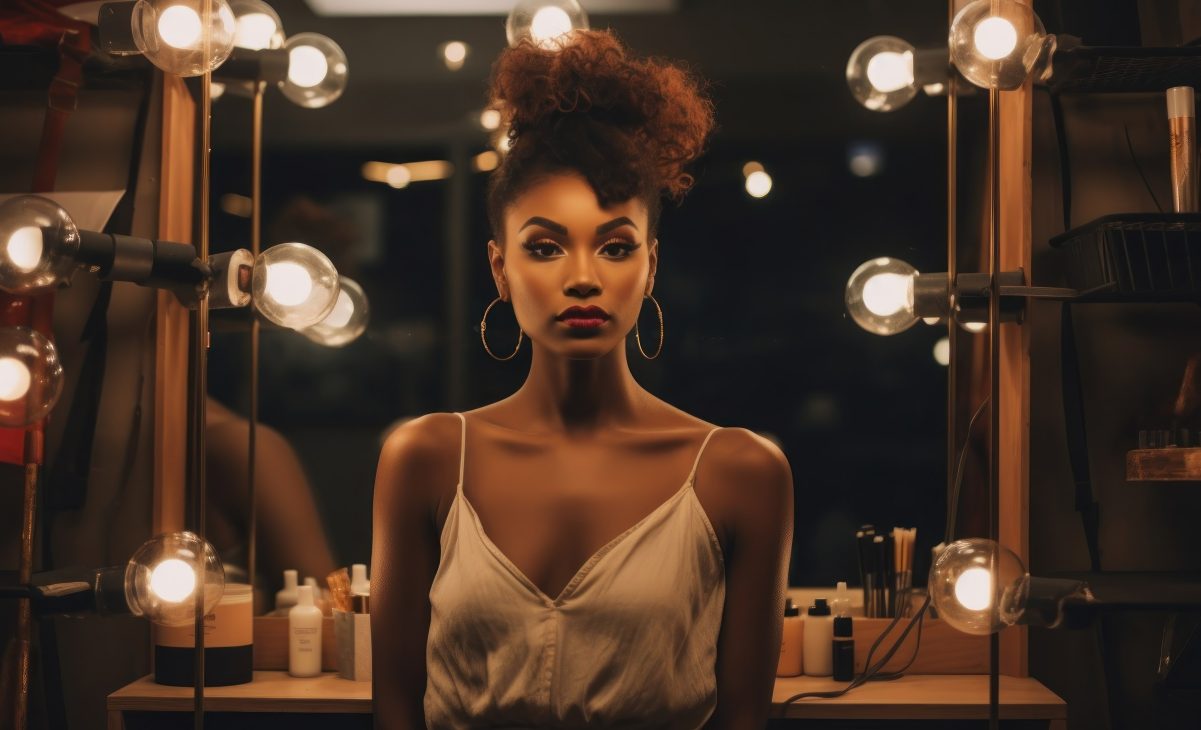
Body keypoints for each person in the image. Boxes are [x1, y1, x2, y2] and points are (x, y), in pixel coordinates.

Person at [371, 29, 794, 729]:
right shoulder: (424, 459)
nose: (582, 278)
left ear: (649, 267)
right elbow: (394, 709)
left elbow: (743, 718)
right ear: (500, 269)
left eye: (615, 245)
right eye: (543, 246)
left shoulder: (740, 473)